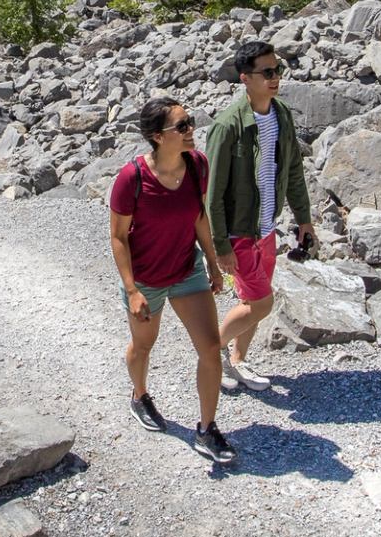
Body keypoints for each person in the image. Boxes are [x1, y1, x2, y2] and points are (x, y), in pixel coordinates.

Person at [108, 96, 237, 464]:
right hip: (146, 280)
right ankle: (139, 394)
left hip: (186, 272)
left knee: (210, 348)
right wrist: (132, 290)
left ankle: (206, 429)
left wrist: (212, 264)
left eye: (190, 121)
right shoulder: (131, 177)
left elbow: (198, 217)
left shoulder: (197, 165)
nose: (190, 130)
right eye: (181, 126)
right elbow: (118, 237)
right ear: (157, 136)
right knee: (143, 346)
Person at [205, 39, 315, 392]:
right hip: (240, 232)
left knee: (251, 299)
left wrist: (304, 218)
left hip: (267, 226)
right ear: (244, 78)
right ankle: (211, 352)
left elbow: (293, 170)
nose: (275, 77)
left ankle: (236, 362)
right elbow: (214, 194)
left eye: (277, 70)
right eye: (266, 72)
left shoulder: (281, 114)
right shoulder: (227, 127)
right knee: (262, 303)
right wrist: (221, 246)